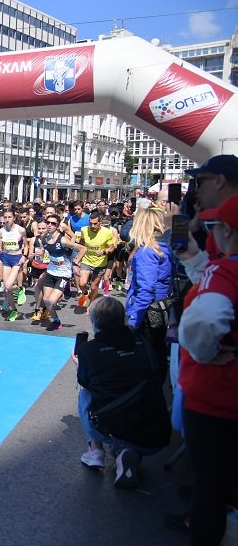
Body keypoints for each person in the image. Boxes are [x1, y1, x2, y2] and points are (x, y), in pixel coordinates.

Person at [176, 193, 238, 545]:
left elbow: (204, 319)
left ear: (227, 230)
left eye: (214, 226)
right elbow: (189, 258)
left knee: (210, 488)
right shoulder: (219, 265)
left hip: (217, 397)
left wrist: (202, 352)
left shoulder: (226, 270)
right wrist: (182, 226)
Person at [74, 297, 170, 489]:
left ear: (95, 322)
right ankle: (125, 454)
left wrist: (79, 363)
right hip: (156, 433)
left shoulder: (89, 350)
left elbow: (84, 381)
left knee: (86, 394)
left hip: (116, 426)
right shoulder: (143, 342)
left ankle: (96, 451)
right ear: (123, 319)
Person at [124, 205, 172, 366]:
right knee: (157, 356)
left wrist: (133, 322)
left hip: (146, 313)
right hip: (161, 309)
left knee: (146, 361)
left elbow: (146, 291)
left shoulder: (148, 252)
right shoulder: (165, 248)